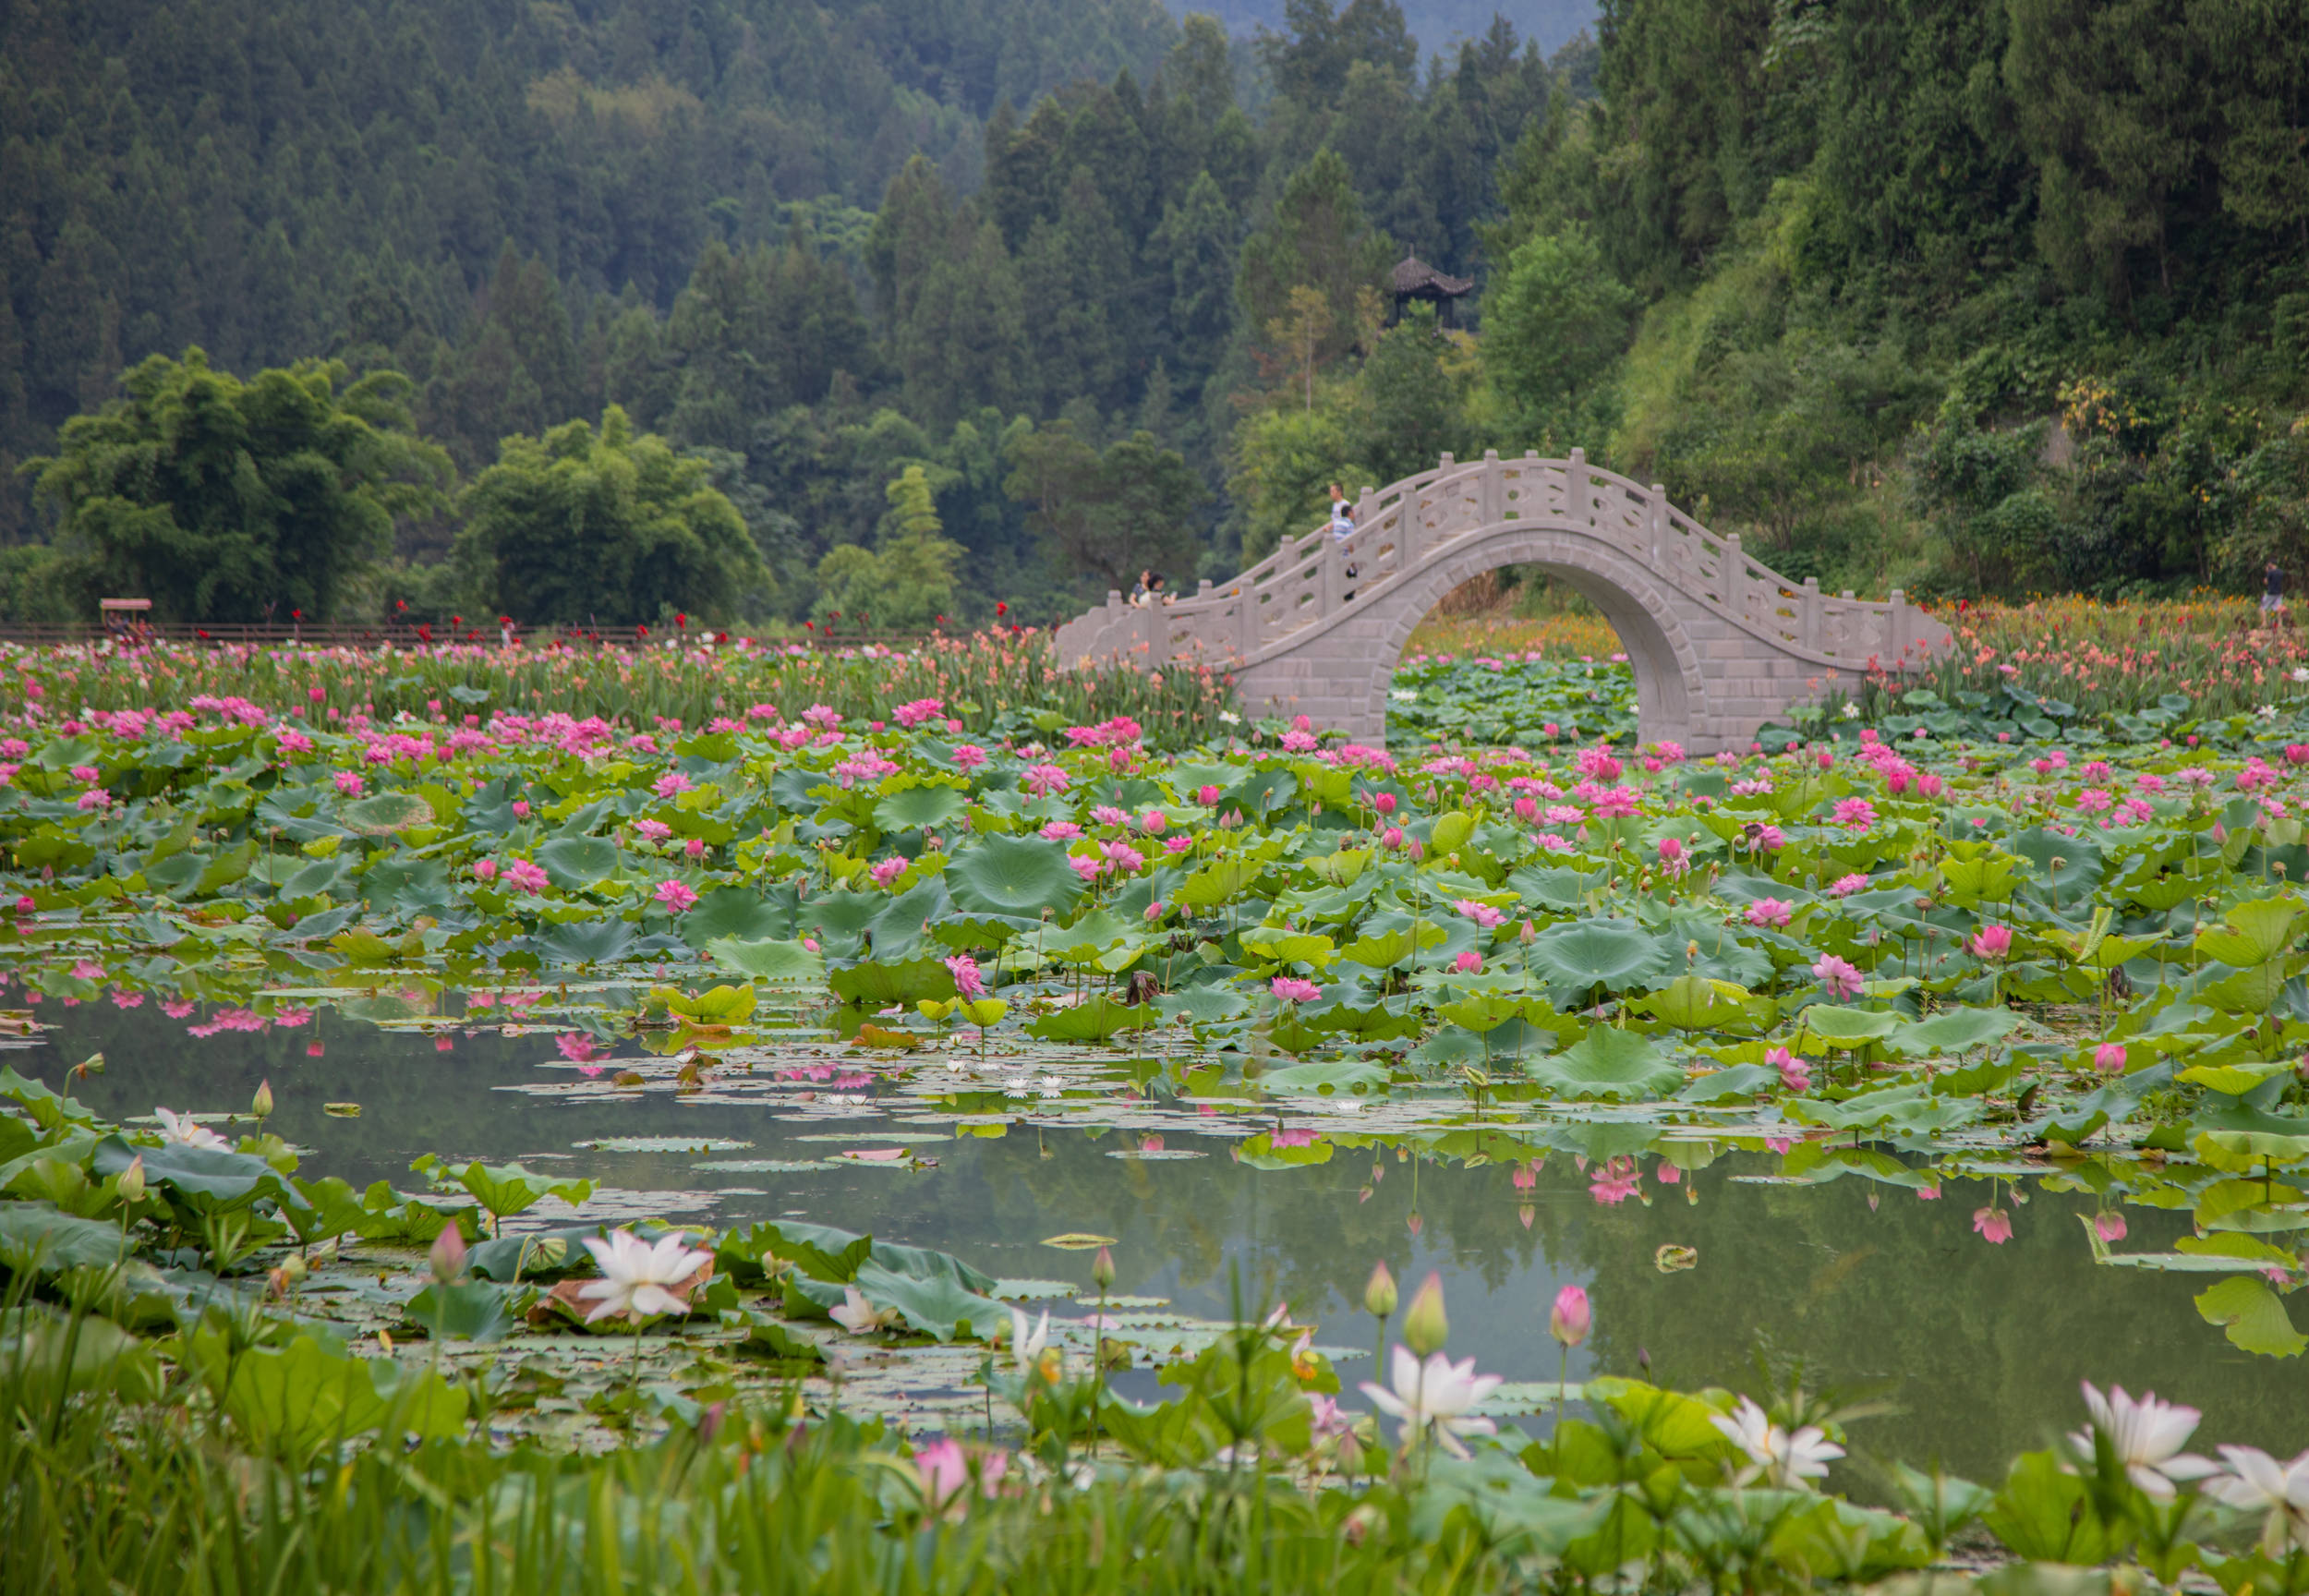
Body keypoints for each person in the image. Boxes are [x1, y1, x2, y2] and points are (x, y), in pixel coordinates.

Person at [2266, 561, 2288, 630]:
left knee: (2263, 608)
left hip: (2271, 593)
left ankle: (2265, 623)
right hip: (2278, 592)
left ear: (2271, 564)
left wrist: (2267, 572)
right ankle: (2280, 624)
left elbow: (2266, 581)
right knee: (2279, 609)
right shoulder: (2281, 572)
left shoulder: (2270, 572)